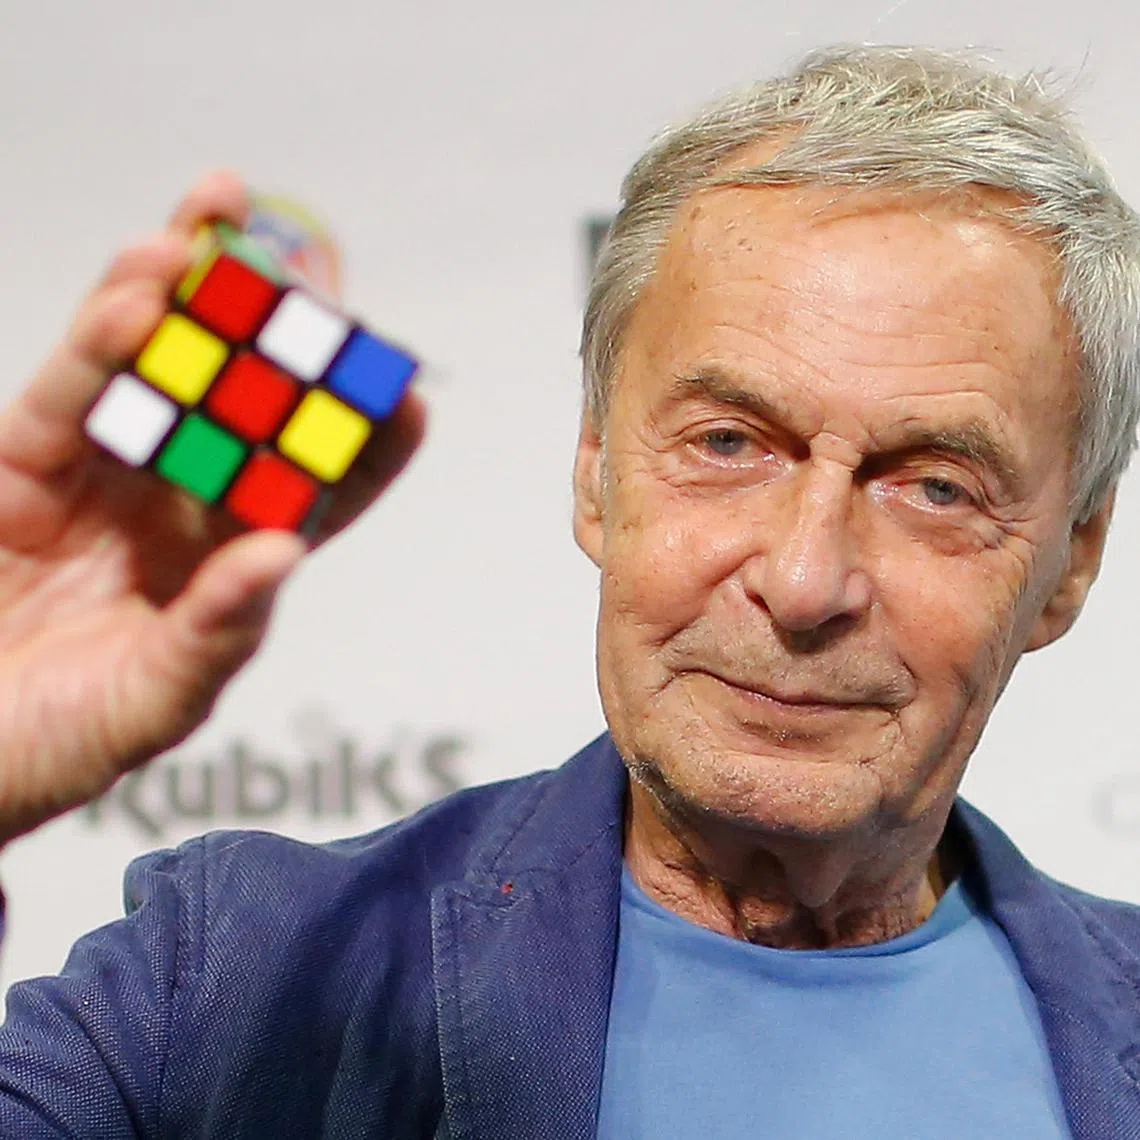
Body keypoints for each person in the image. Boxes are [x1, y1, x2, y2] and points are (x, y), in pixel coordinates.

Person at [0, 42, 1136, 1138]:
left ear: (1071, 562)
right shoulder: (239, 977)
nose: (802, 583)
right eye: (730, 443)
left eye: (933, 486)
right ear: (596, 473)